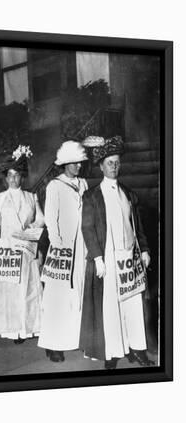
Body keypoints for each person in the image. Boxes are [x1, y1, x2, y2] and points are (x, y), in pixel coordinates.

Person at [80, 136, 154, 369]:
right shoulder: (92, 196)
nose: (114, 167)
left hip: (129, 259)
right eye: (109, 163)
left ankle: (138, 350)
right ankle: (111, 353)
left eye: (117, 162)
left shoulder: (128, 193)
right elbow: (88, 228)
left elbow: (137, 225)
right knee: (111, 307)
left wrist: (144, 249)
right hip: (109, 259)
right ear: (101, 166)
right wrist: (97, 258)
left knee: (133, 305)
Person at [0, 145, 45, 343]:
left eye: (16, 175)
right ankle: (13, 331)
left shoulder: (31, 197)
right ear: (6, 178)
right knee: (10, 293)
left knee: (27, 291)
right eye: (9, 175)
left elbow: (41, 219)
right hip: (8, 251)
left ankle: (27, 328)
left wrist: (31, 227)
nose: (13, 179)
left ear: (22, 177)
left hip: (27, 250)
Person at [38, 141, 88, 362]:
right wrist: (58, 245)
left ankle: (72, 338)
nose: (78, 167)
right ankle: (52, 344)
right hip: (62, 249)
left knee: (77, 293)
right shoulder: (54, 186)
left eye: (80, 163)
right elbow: (50, 219)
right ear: (64, 163)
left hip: (82, 248)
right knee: (57, 297)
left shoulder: (83, 183)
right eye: (74, 163)